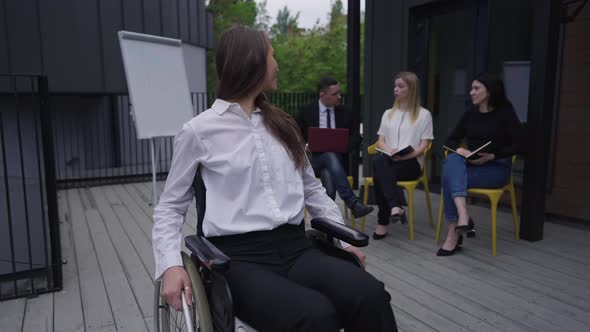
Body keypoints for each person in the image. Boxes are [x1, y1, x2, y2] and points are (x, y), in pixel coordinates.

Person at [152, 25, 398, 331]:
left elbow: (313, 190)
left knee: (370, 294)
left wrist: (343, 241)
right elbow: (170, 207)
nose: (277, 63)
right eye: (273, 55)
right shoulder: (199, 131)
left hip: (297, 249)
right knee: (315, 315)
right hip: (238, 260)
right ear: (252, 62)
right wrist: (171, 264)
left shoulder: (284, 125)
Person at [437, 74, 524, 256]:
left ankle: (454, 232)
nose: (471, 92)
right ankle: (462, 216)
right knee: (453, 159)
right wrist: (462, 151)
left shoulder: (505, 113)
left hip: (496, 168)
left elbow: (521, 144)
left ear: (489, 91)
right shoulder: (471, 112)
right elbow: (450, 140)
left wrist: (493, 155)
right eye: (471, 88)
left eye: (476, 88)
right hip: (471, 165)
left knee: (448, 177)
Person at [296, 77, 374, 218]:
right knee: (329, 156)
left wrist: (343, 146)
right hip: (313, 162)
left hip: (337, 163)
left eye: (339, 93)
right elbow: (295, 135)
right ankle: (352, 202)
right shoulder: (306, 111)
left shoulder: (346, 112)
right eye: (335, 94)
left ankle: (327, 220)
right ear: (322, 95)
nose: (339, 97)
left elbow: (356, 137)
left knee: (328, 172)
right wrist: (306, 145)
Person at [372, 72, 434, 240]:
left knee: (380, 172)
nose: (395, 89)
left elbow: (424, 146)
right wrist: (390, 150)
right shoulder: (388, 113)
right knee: (380, 162)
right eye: (395, 86)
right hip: (389, 159)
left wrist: (404, 157)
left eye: (400, 86)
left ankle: (383, 221)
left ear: (411, 89)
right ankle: (395, 207)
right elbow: (380, 141)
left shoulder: (424, 115)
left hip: (411, 163)